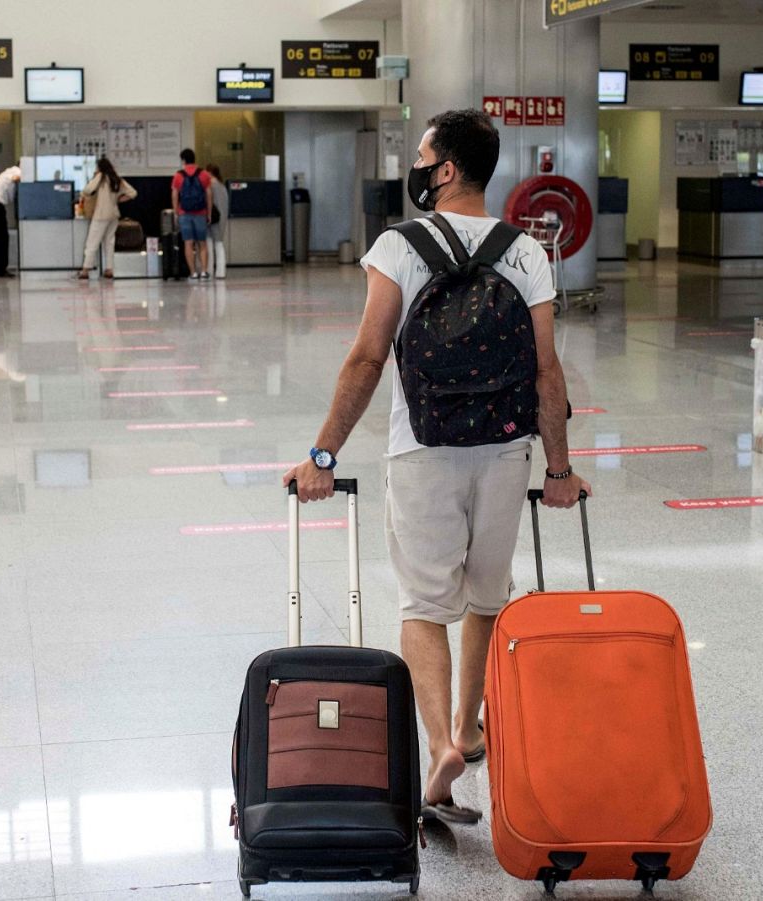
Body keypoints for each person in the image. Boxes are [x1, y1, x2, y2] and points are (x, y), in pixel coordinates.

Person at [283, 109, 590, 825]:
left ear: (446, 169)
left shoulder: (399, 244)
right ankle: (469, 726)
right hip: (505, 448)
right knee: (487, 595)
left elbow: (367, 358)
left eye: (422, 157)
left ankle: (440, 747)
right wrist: (559, 470)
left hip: (422, 448)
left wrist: (323, 455)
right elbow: (547, 372)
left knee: (423, 605)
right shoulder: (526, 251)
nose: (417, 168)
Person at [79, 156, 136, 280]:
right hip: (113, 215)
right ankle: (109, 269)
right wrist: (118, 200)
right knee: (109, 242)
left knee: (92, 242)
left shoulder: (101, 177)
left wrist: (90, 184)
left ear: (100, 167)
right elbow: (133, 193)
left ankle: (85, 270)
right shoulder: (116, 178)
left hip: (100, 215)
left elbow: (87, 190)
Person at [171, 149, 214, 281]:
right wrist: (209, 213)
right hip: (201, 213)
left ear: (183, 160)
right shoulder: (204, 174)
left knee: (188, 243)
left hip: (184, 213)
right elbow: (209, 194)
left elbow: (175, 194)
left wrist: (176, 212)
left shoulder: (178, 175)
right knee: (202, 243)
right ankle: (204, 272)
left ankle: (193, 273)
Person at [204, 163, 229, 279]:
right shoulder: (222, 186)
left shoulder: (210, 185)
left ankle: (209, 269)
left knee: (209, 244)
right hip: (221, 218)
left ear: (210, 172)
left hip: (212, 217)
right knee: (219, 244)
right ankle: (221, 271)